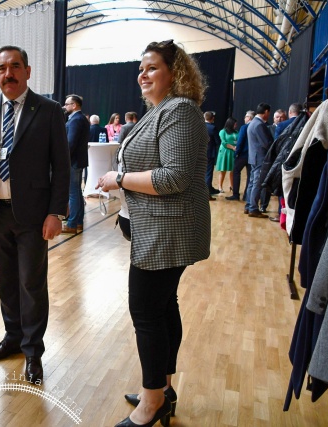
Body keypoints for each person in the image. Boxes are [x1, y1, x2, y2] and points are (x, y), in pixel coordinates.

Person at [96, 39, 210, 426]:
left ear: (174, 73)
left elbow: (174, 177)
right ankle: (163, 389)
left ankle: (151, 404)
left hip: (167, 234)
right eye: (141, 69)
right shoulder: (160, 110)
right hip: (158, 230)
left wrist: (119, 179)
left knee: (146, 312)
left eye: (152, 68)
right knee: (162, 308)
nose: (142, 74)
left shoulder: (179, 110)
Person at [0, 45, 70, 384]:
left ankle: (33, 351)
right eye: (1, 68)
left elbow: (62, 166)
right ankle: (12, 338)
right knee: (6, 281)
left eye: (14, 66)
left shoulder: (49, 110)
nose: (7, 73)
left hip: (34, 215)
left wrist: (56, 212)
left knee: (31, 284)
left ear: (27, 71)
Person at [63, 94, 89, 234]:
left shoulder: (75, 120)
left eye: (67, 104)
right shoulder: (81, 118)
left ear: (74, 105)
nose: (65, 106)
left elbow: (70, 143)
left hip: (73, 161)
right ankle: (78, 222)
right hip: (78, 160)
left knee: (73, 193)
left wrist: (63, 159)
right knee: (77, 192)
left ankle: (72, 224)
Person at [245, 102, 273, 218]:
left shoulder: (252, 123)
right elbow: (266, 143)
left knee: (252, 183)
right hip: (260, 158)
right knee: (257, 184)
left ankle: (248, 206)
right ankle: (253, 208)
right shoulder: (259, 125)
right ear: (266, 112)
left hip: (253, 157)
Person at [226, 111, 254, 201]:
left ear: (249, 118)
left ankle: (235, 194)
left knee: (236, 172)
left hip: (242, 154)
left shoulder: (244, 127)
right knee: (250, 176)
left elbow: (240, 141)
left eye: (246, 117)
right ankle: (246, 195)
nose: (244, 118)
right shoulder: (257, 127)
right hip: (252, 155)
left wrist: (236, 153)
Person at [215, 117, 238, 193]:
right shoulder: (223, 132)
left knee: (233, 170)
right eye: (234, 124)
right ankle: (220, 187)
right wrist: (233, 147)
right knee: (223, 170)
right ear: (230, 124)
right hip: (225, 152)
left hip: (234, 152)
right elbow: (224, 142)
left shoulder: (236, 132)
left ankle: (232, 186)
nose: (236, 125)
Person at [204, 111, 221, 198]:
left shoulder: (199, 126)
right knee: (208, 173)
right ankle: (207, 192)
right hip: (209, 153)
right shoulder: (213, 128)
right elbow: (218, 141)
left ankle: (208, 188)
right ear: (212, 118)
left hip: (199, 152)